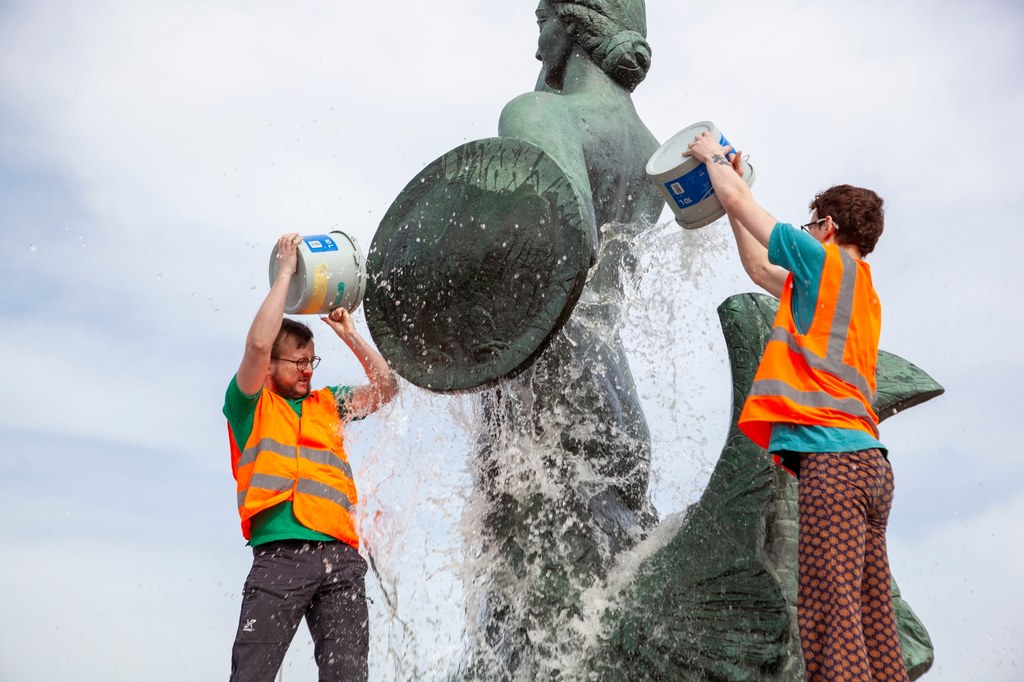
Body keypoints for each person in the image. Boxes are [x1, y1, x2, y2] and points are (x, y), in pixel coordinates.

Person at [685, 132, 908, 681]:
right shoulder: (862, 290)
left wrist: (712, 158)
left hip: (833, 463)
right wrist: (728, 200)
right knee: (873, 617)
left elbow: (743, 201)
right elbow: (761, 270)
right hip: (871, 466)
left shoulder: (821, 260)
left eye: (813, 225)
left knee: (828, 616)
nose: (808, 234)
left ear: (827, 228)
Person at [223, 232, 399, 682]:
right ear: (270, 370)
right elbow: (257, 346)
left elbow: (386, 390)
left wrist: (351, 335)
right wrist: (286, 273)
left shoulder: (328, 402)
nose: (307, 371)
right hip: (280, 557)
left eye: (312, 362)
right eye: (297, 362)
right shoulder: (250, 405)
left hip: (340, 561)